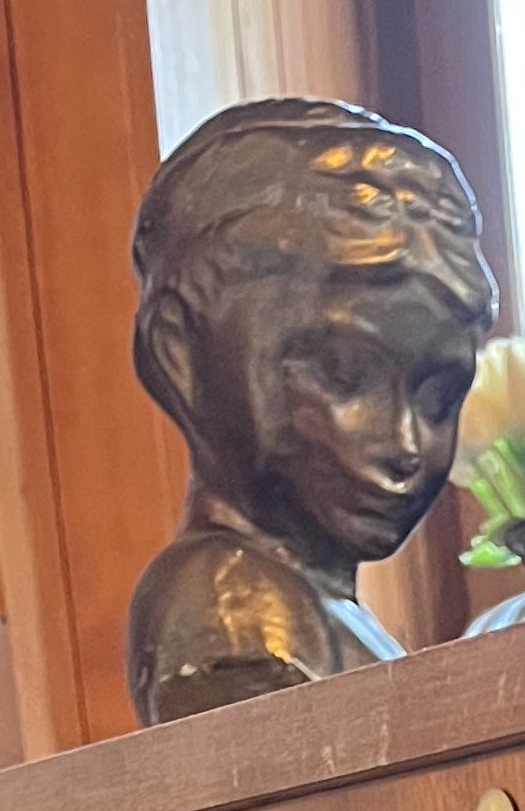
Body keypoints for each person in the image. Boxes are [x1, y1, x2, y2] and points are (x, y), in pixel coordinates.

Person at [125, 98, 496, 726]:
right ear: (181, 353)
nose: (405, 444)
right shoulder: (231, 606)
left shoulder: (318, 607)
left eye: (438, 398)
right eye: (345, 376)